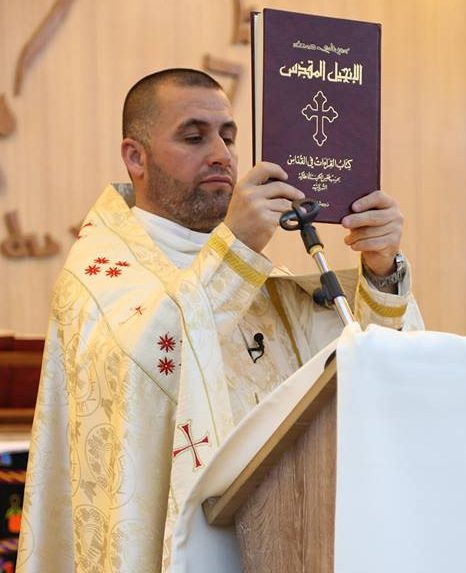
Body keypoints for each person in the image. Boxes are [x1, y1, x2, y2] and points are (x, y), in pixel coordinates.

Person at [17, 68, 423, 572]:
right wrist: (238, 248)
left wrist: (380, 272)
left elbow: (355, 374)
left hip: (285, 538)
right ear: (135, 157)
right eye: (194, 137)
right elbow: (149, 366)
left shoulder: (245, 268)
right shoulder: (100, 277)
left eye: (228, 137)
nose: (221, 155)